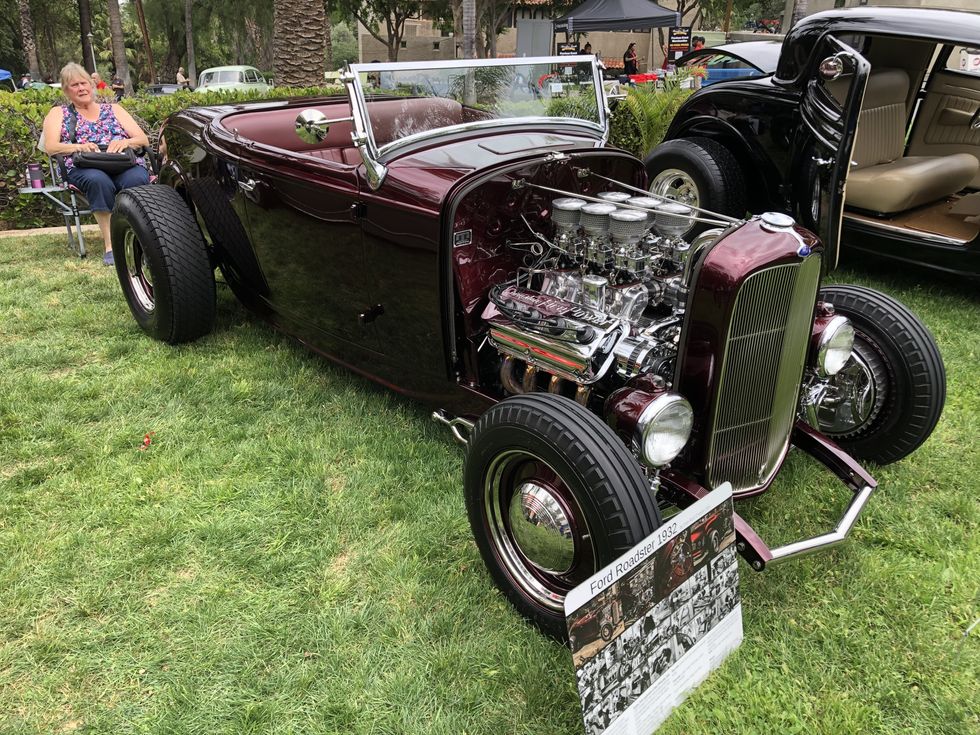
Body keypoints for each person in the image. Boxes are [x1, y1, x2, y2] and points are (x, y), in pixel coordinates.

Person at [42, 62, 150, 266]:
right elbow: (51, 147)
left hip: (120, 162)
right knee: (98, 181)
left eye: (84, 83)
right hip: (84, 166)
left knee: (137, 178)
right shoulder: (58, 113)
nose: (81, 88)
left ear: (92, 85)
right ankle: (112, 246)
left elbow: (143, 140)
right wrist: (78, 147)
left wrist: (124, 141)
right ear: (66, 90)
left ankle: (140, 241)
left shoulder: (114, 109)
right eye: (74, 85)